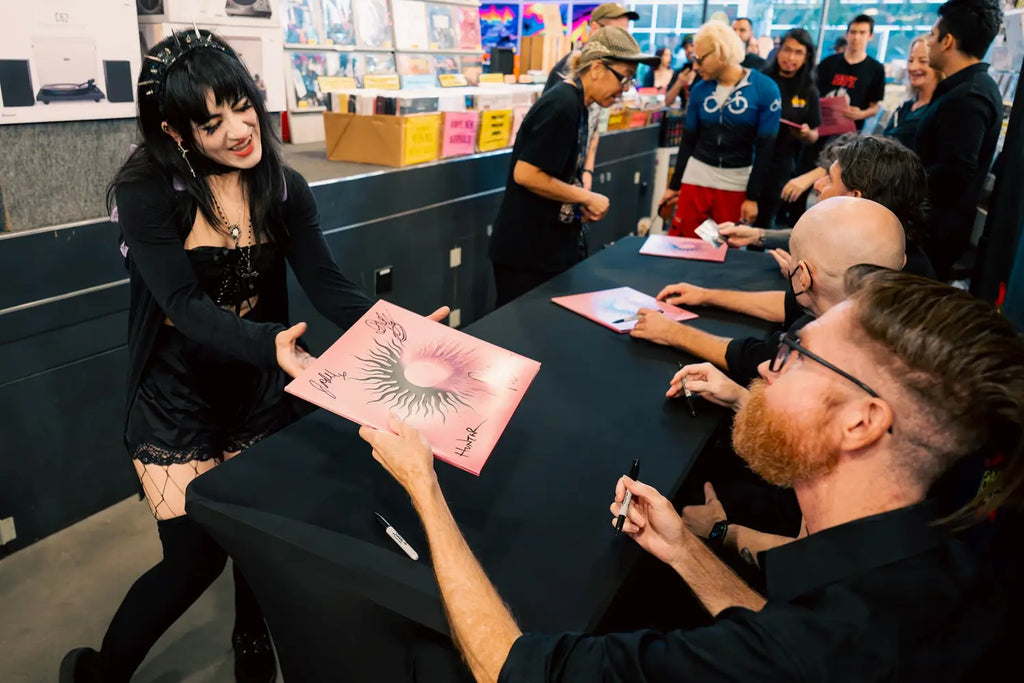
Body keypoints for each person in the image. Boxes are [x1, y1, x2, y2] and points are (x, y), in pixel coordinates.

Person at [359, 266, 1024, 681]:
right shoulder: (942, 553)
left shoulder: (815, 653)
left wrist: (424, 487)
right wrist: (685, 551)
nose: (767, 369)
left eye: (795, 354)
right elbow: (776, 626)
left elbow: (510, 668)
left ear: (861, 422)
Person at [59, 29, 446, 683]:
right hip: (175, 395)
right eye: (213, 123)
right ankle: (99, 671)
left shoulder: (283, 185)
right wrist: (270, 344)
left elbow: (327, 283)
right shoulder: (147, 189)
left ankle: (250, 637)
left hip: (258, 385)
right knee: (193, 558)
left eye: (242, 107)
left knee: (256, 531)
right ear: (176, 130)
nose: (240, 131)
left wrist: (402, 332)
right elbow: (181, 304)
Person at [632, 196, 906, 386]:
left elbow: (756, 358)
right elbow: (789, 304)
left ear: (803, 276)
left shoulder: (811, 354)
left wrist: (673, 333)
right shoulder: (891, 327)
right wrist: (706, 296)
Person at [489, 28, 658, 306]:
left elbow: (556, 172)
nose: (625, 89)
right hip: (527, 254)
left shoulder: (579, 104)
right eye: (624, 77)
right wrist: (585, 196)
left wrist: (579, 202)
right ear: (596, 68)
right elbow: (526, 173)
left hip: (548, 248)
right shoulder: (562, 104)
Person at [722, 135, 937, 279]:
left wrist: (807, 288)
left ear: (855, 198)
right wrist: (757, 235)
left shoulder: (888, 274)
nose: (817, 185)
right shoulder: (879, 242)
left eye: (830, 179)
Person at [658, 21, 781, 237]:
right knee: (684, 244)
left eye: (700, 59)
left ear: (720, 53)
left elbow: (766, 148)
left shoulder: (765, 89)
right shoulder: (699, 90)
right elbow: (688, 141)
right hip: (697, 178)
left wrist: (752, 197)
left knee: (720, 246)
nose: (695, 66)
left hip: (736, 181)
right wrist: (674, 186)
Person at [916, 0, 1003, 280]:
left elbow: (954, 173)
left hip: (935, 234)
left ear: (948, 41)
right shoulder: (963, 89)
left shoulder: (969, 97)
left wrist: (899, 181)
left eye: (932, 35)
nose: (928, 43)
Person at [542, 4, 638, 201]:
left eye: (625, 34)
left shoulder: (606, 85)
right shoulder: (568, 76)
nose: (622, 41)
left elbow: (594, 128)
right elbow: (532, 170)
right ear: (595, 28)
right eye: (615, 33)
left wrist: (587, 170)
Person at [752, 28, 821, 229]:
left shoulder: (808, 89)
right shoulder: (761, 80)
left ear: (806, 57)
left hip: (781, 164)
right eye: (787, 50)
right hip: (750, 158)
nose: (790, 57)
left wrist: (805, 134)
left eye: (798, 52)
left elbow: (815, 134)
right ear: (778, 50)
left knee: (764, 221)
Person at [815, 15, 886, 132]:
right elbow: (812, 93)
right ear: (846, 35)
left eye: (862, 33)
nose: (856, 37)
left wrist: (861, 114)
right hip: (822, 127)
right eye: (853, 32)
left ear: (870, 36)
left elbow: (875, 107)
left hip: (851, 133)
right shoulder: (828, 63)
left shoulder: (876, 69)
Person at [882, 35, 943, 149]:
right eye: (910, 61)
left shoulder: (939, 111)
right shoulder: (904, 108)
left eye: (923, 61)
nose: (913, 67)